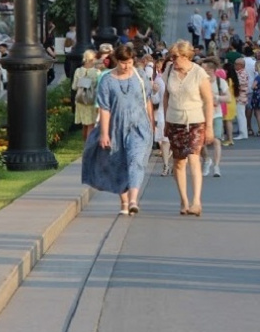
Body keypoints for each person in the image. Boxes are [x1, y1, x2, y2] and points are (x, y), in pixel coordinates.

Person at [81, 44, 153, 216]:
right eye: (122, 62)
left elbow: (147, 100)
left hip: (138, 126)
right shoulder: (107, 80)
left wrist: (151, 123)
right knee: (119, 162)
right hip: (116, 127)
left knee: (135, 160)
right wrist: (105, 133)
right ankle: (124, 201)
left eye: (128, 62)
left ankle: (134, 200)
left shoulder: (140, 76)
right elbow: (104, 108)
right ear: (116, 61)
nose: (126, 66)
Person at [162, 41, 214, 213]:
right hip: (174, 120)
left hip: (195, 121)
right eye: (171, 56)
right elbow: (166, 97)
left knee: (193, 157)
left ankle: (196, 201)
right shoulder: (169, 70)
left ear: (186, 56)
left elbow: (208, 101)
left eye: (176, 57)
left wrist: (209, 127)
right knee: (178, 162)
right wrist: (164, 120)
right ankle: (184, 201)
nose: (173, 60)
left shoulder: (199, 73)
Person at [201, 59, 227, 177]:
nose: (203, 71)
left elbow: (229, 98)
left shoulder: (219, 82)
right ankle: (206, 160)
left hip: (216, 114)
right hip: (201, 114)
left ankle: (216, 166)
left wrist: (216, 98)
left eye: (205, 69)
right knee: (201, 142)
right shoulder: (199, 82)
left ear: (212, 70)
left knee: (216, 140)